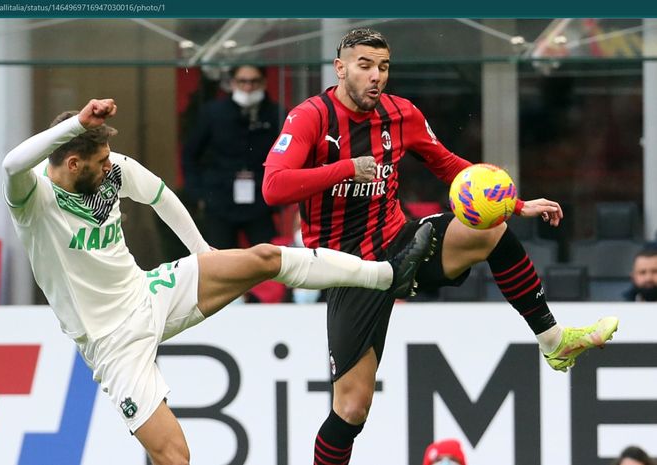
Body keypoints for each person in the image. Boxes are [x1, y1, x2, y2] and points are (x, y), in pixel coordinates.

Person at [1, 98, 434, 465]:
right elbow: (11, 163)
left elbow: (158, 195)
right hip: (111, 341)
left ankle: (388, 275)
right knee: (175, 457)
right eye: (98, 162)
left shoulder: (111, 170)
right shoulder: (32, 199)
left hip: (149, 293)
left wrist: (201, 251)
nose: (109, 165)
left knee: (263, 258)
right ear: (72, 163)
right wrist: (78, 122)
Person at [261, 28, 619, 465]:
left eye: (384, 67)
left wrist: (517, 203)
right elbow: (273, 187)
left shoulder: (401, 114)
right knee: (352, 409)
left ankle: (554, 339)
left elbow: (450, 166)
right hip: (344, 269)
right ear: (340, 68)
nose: (377, 76)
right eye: (365, 65)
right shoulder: (309, 117)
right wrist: (344, 169)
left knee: (488, 231)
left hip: (400, 242)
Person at [182, 64, 283, 249]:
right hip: (220, 199)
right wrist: (199, 195)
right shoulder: (213, 113)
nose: (248, 87)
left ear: (263, 83)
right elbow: (190, 154)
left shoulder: (276, 114)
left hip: (260, 200)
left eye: (254, 81)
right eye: (242, 81)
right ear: (233, 83)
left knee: (269, 257)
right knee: (220, 260)